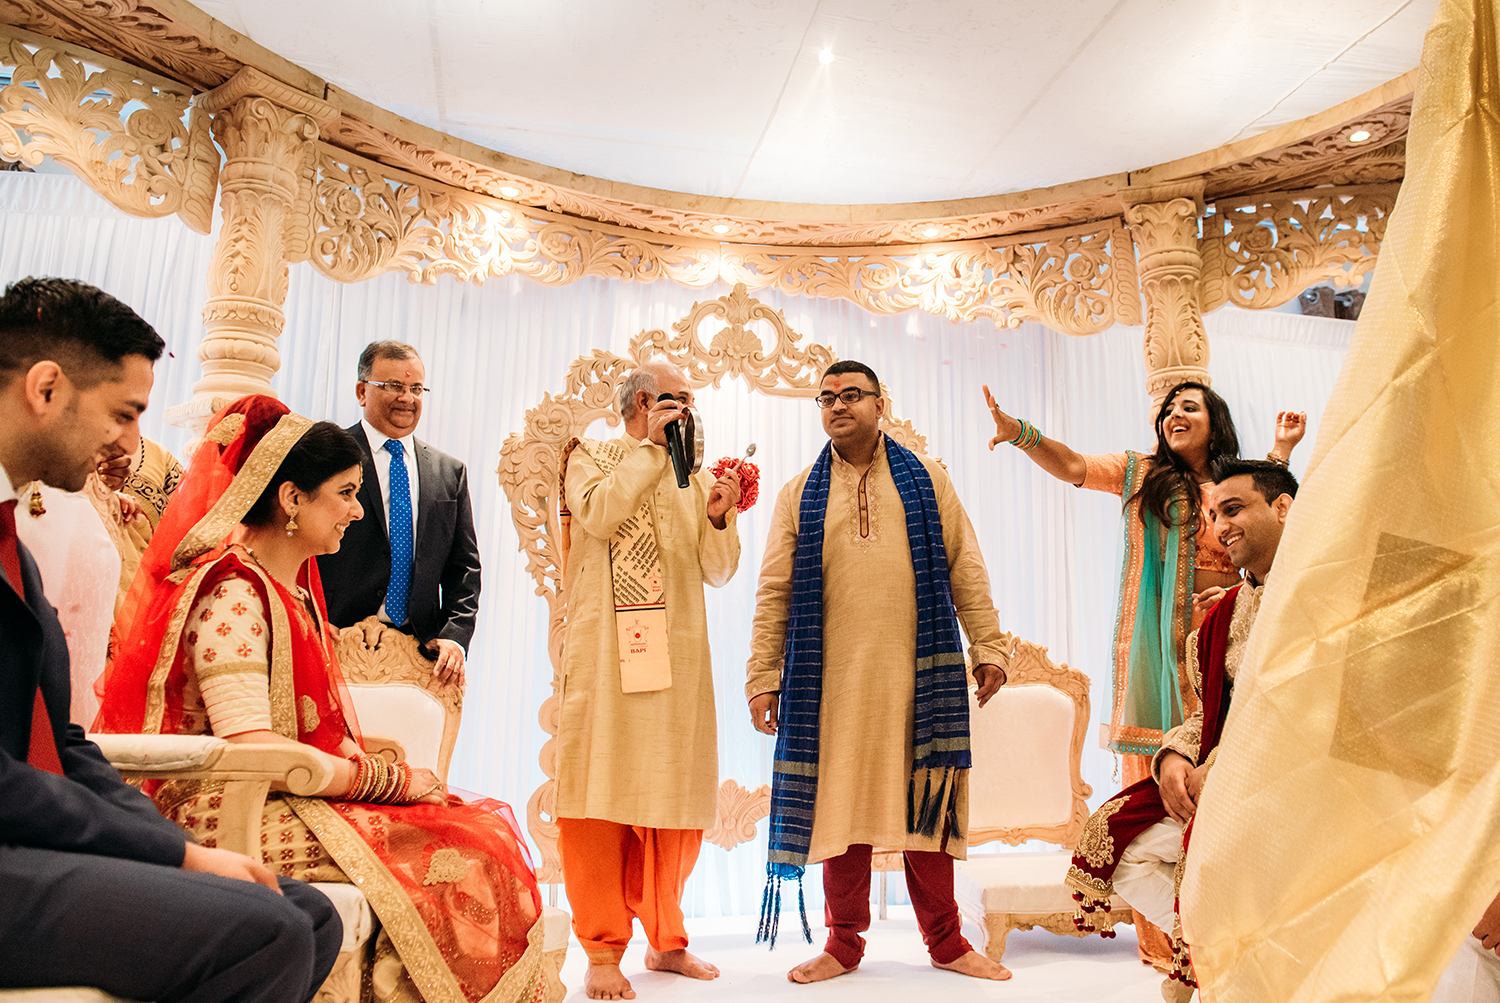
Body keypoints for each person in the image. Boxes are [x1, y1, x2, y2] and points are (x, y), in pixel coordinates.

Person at [97, 394, 546, 1003]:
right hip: (228, 805)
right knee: (465, 856)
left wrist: (388, 778)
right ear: (291, 498)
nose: (358, 513)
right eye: (346, 493)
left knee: (476, 834)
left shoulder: (291, 591)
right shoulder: (232, 590)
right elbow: (252, 746)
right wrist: (386, 782)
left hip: (287, 792)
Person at [0, 278, 341, 1003]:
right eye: (123, 413)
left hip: (31, 838)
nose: (128, 443)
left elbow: (60, 743)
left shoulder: (15, 546)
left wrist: (180, 850)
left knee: (309, 913)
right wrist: (173, 850)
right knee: (267, 928)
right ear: (47, 387)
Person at [984, 382, 1302, 964]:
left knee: (1230, 774)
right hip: (1159, 655)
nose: (1175, 415)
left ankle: (1239, 927)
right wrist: (1021, 434)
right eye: (1169, 409)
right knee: (1158, 783)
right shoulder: (1143, 474)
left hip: (1230, 642)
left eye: (1190, 406)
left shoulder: (1234, 489)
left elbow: (1271, 517)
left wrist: (1282, 448)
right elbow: (1076, 466)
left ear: (1215, 421)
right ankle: (1173, 952)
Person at [747, 360, 1014, 984]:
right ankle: (843, 945)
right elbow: (774, 591)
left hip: (918, 677)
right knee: (841, 810)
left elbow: (964, 568)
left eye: (851, 395)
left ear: (880, 403)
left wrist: (989, 647)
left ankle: (946, 943)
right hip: (830, 685)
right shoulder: (795, 494)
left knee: (927, 802)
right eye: (827, 398)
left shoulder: (929, 481)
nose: (837, 406)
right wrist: (763, 675)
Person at [1064, 458, 1297, 1001]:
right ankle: (1215, 948)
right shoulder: (1222, 616)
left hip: (1292, 786)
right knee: (1118, 843)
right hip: (1218, 778)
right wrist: (1173, 759)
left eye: (1233, 510)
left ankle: (1240, 959)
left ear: (1284, 508)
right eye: (1215, 516)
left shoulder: (1322, 599)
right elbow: (1209, 713)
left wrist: (1231, 773)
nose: (1220, 527)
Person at [555, 360, 742, 1001]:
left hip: (677, 662)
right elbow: (602, 517)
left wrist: (718, 515)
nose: (688, 412)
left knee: (675, 797)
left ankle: (667, 941)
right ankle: (603, 950)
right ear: (643, 402)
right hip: (608, 663)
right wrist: (650, 453)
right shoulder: (594, 456)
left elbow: (717, 572)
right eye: (677, 401)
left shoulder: (694, 476)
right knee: (600, 796)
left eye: (691, 402)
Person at [317, 341, 479, 687]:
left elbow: (463, 568)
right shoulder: (328, 456)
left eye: (416, 388)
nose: (407, 397)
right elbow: (299, 542)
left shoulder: (449, 472)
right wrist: (308, 617)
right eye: (393, 386)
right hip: (333, 640)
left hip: (422, 655)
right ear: (362, 391)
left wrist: (455, 636)